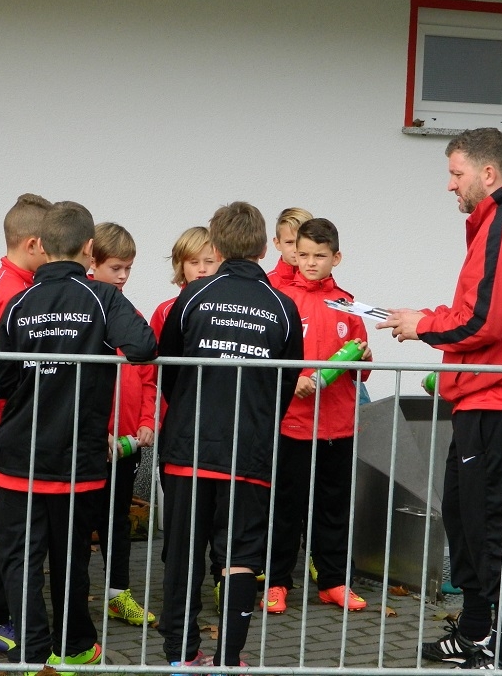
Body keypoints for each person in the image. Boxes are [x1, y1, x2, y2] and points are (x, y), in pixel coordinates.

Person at [376, 128, 502, 671]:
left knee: (494, 526)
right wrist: (428, 318)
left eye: (456, 174)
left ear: (487, 173)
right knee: (463, 515)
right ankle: (477, 629)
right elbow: (485, 310)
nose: (450, 185)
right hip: (488, 400)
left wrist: (423, 326)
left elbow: (484, 321)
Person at [0, 202, 157, 674]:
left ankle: (30, 653)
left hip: (19, 453)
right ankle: (74, 645)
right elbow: (143, 346)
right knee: (70, 558)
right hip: (76, 456)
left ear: (41, 246)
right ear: (89, 248)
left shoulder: (20, 302)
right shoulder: (102, 298)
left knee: (20, 559)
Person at [157, 201, 303, 672]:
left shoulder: (192, 297)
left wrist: (189, 410)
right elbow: (286, 383)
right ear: (263, 248)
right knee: (240, 555)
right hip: (250, 450)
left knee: (184, 551)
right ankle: (229, 659)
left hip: (189, 445)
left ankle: (181, 655)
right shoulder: (283, 306)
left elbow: (169, 370)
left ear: (216, 247)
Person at [260, 218, 372, 617]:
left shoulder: (346, 303)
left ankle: (334, 582)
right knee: (285, 507)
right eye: (303, 254)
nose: (310, 262)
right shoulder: (279, 299)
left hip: (338, 424)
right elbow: (266, 357)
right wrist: (293, 381)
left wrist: (364, 357)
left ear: (336, 258)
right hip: (292, 423)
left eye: (319, 256)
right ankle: (277, 582)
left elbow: (362, 369)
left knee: (333, 507)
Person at [0, 193, 52, 654]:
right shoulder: (12, 291)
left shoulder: (18, 283)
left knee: (12, 522)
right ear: (34, 244)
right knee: (8, 524)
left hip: (13, 418)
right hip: (6, 419)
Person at [89, 222, 157, 627]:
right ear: (91, 262)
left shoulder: (132, 316)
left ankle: (118, 595)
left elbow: (148, 378)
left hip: (127, 442)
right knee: (79, 525)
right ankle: (72, 598)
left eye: (128, 268)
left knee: (117, 522)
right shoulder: (83, 314)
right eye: (115, 267)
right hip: (90, 444)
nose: (123, 277)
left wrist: (147, 421)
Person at [149, 226, 218, 340]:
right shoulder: (166, 311)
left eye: (209, 261)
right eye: (194, 262)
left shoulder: (232, 307)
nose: (202, 269)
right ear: (181, 267)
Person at [267, 207, 312, 290]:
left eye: (301, 242)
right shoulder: (268, 283)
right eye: (289, 242)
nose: (296, 249)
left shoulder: (321, 282)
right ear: (277, 243)